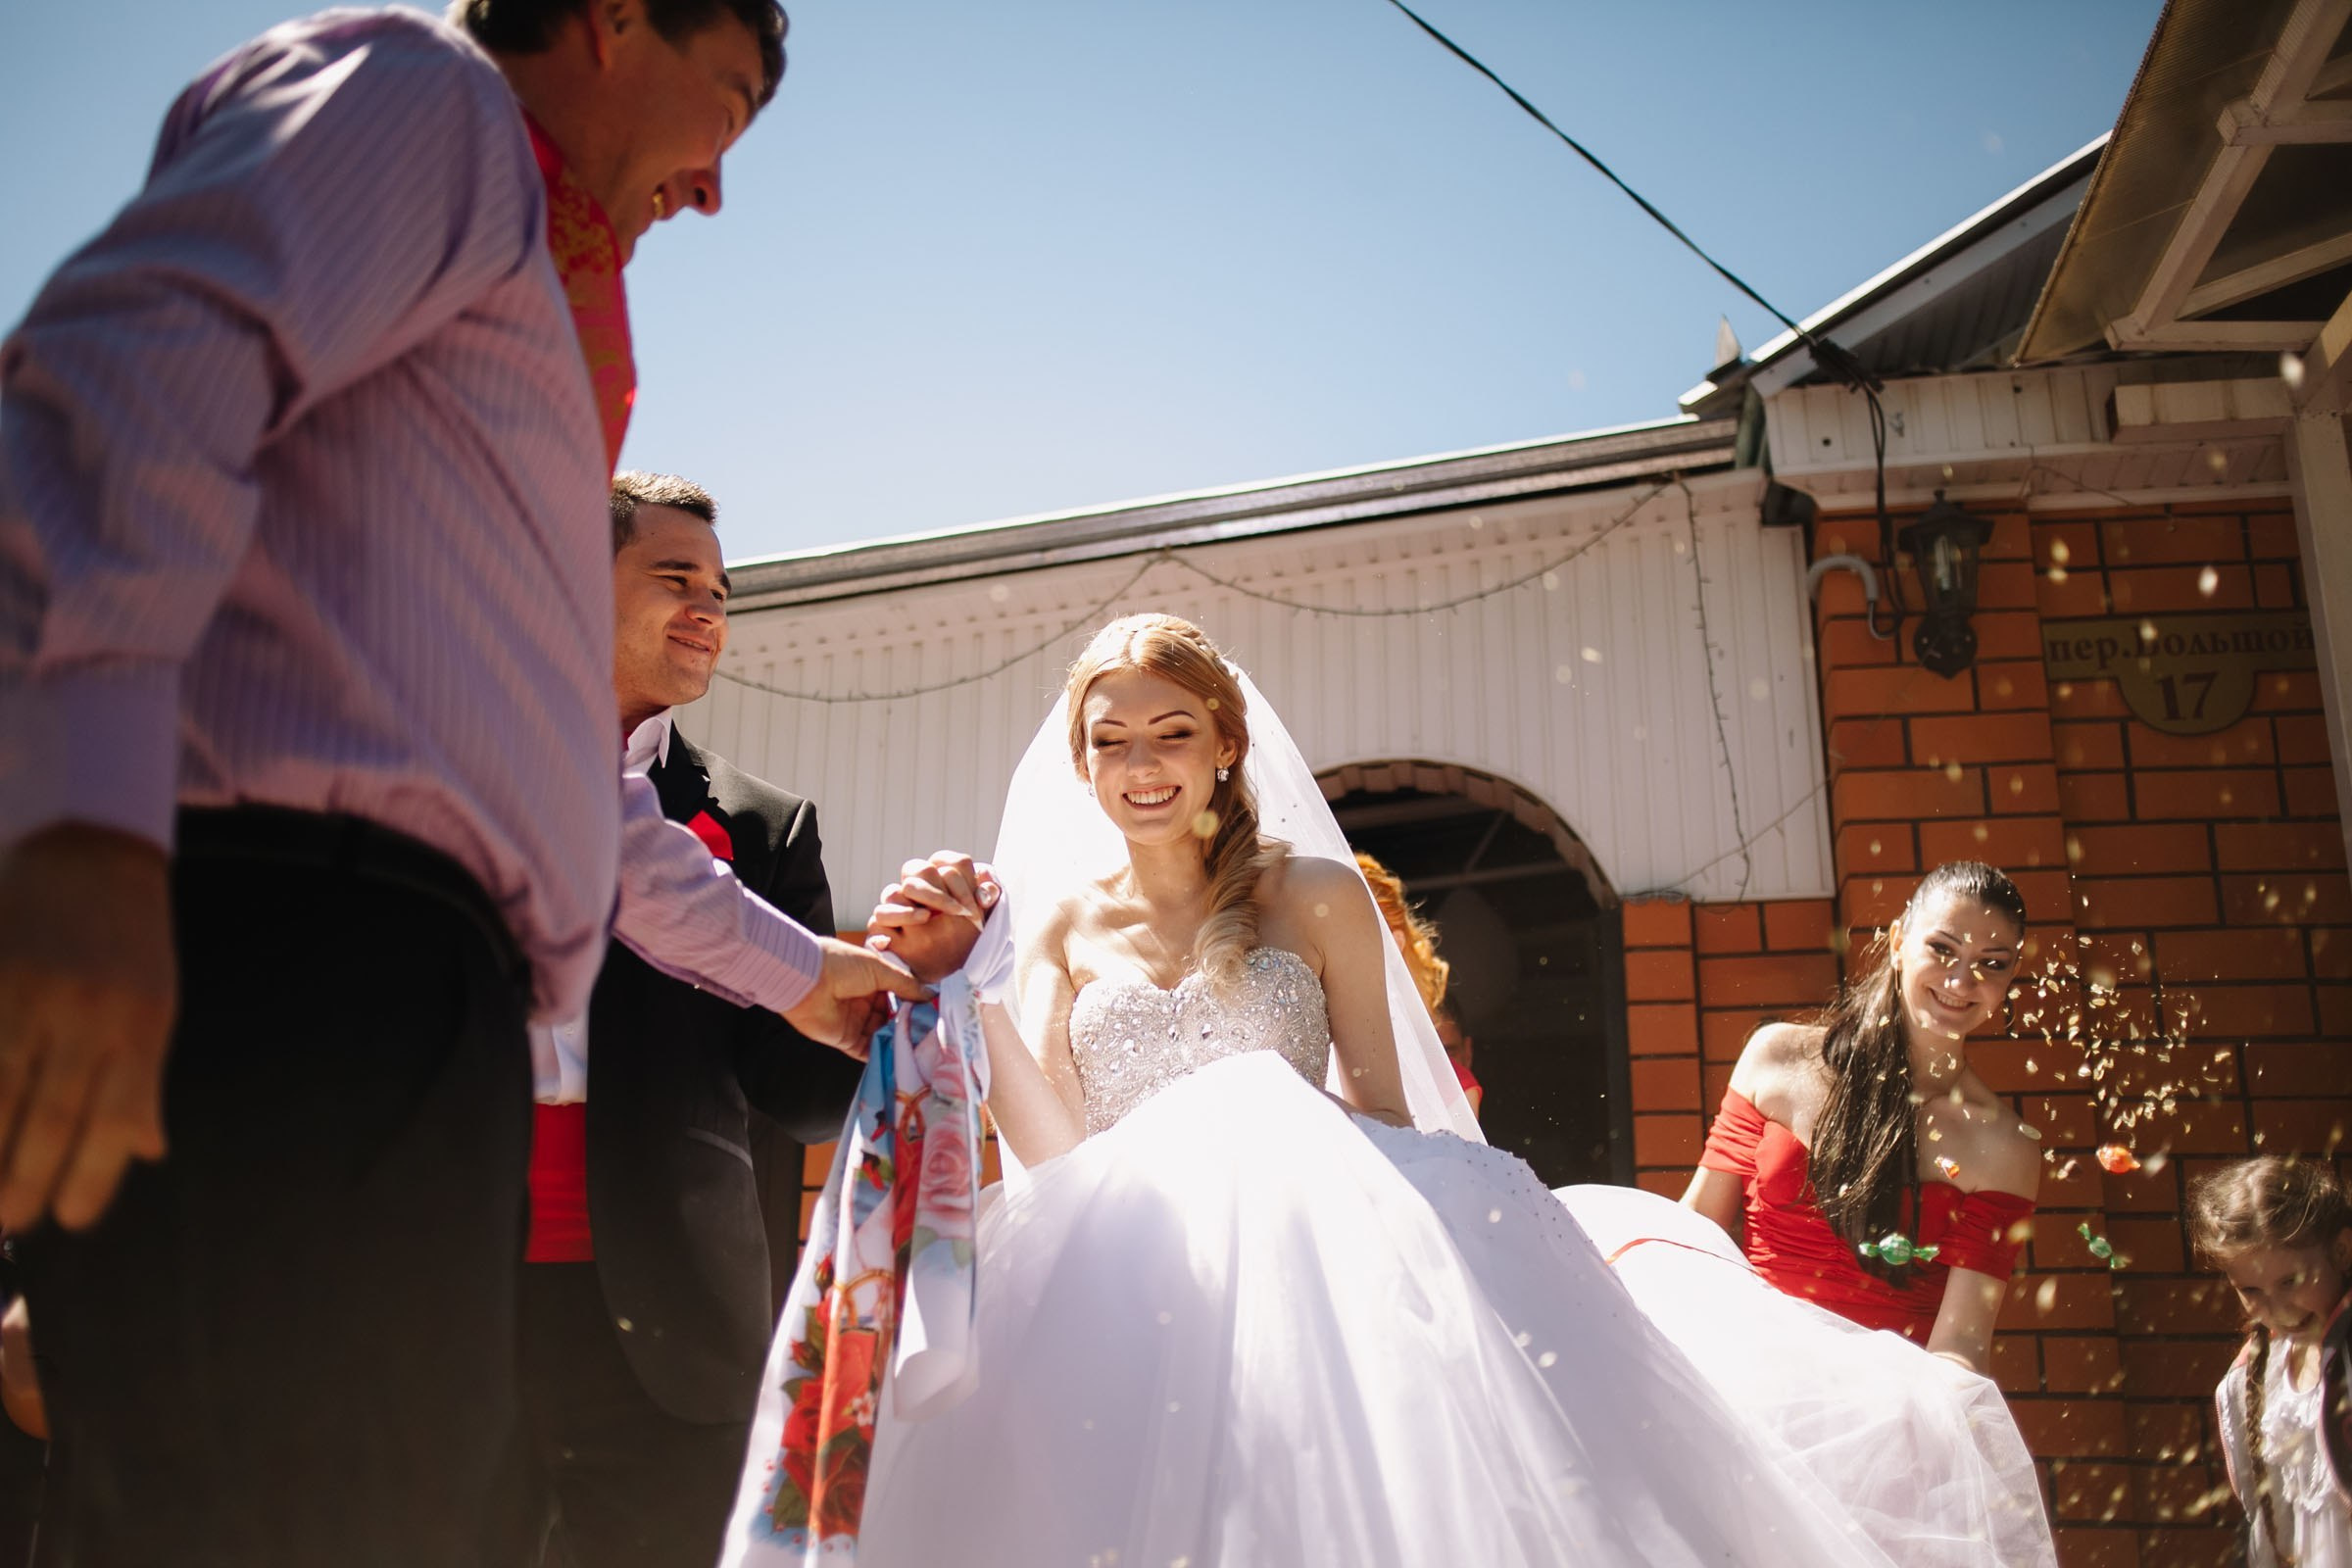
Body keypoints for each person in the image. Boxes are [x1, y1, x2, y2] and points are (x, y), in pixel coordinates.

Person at [0, 5, 916, 1561]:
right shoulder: (424, 105)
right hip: (292, 960)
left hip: (414, 1011)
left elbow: (562, 784)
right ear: (620, 20)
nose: (716, 187)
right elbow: (119, 384)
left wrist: (810, 974)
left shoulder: (517, 284)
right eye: (733, 103)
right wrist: (79, 818)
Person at [796, 613, 1904, 1567]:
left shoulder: (1317, 894)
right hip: (1127, 1280)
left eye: (1172, 732)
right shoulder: (1051, 923)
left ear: (1226, 744)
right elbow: (1055, 1156)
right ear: (1082, 763)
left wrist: (1266, 1133)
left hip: (1311, 1265)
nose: (1143, 763)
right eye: (1112, 740)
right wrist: (971, 992)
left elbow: (1380, 1104)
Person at [502, 472, 862, 1568]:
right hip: (447, 1290)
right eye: (675, 578)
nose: (708, 608)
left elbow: (797, 1098)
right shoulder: (458, 772)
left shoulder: (759, 824)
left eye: (721, 587)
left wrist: (892, 983)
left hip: (672, 1321)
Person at [1681, 860, 2043, 1376]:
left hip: (1883, 1417)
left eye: (1993, 963)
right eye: (1942, 950)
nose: (1962, 980)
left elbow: (1961, 1343)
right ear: (1897, 941)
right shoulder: (1775, 1057)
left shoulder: (2006, 1146)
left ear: (2012, 975)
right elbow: (1695, 1230)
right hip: (1748, 1381)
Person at [2191, 1155, 2352, 1567]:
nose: (2277, 1308)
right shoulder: (2254, 1376)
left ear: (2343, 1250)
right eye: (2251, 1290)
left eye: (2290, 1282)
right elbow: (2270, 1521)